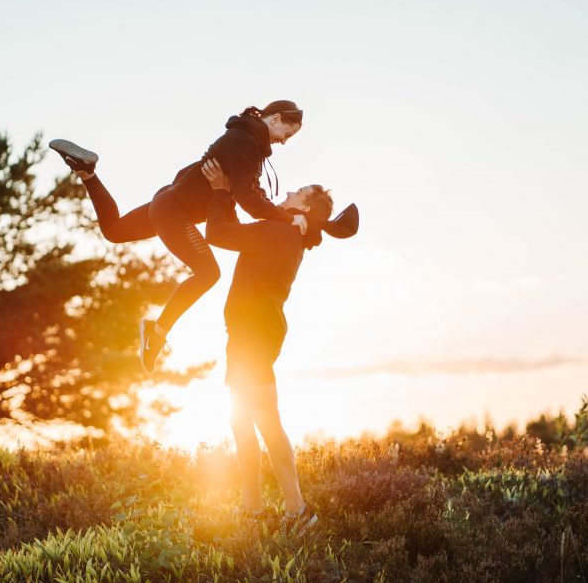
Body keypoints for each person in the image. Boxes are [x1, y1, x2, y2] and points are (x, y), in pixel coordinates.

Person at [48, 100, 308, 372]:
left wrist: (205, 195)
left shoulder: (244, 141)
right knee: (209, 273)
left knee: (114, 231)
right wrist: (287, 217)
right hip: (174, 211)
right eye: (287, 134)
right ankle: (156, 333)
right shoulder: (247, 143)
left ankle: (87, 172)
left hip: (171, 202)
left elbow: (240, 192)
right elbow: (246, 197)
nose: (284, 142)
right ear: (276, 118)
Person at [199, 157, 358, 536]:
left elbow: (219, 234)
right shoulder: (287, 230)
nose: (286, 192)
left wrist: (222, 192)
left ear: (303, 208)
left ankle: (298, 512)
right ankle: (254, 511)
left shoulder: (279, 233)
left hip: (254, 333)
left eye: (296, 192)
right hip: (248, 332)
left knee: (266, 421)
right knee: (242, 420)